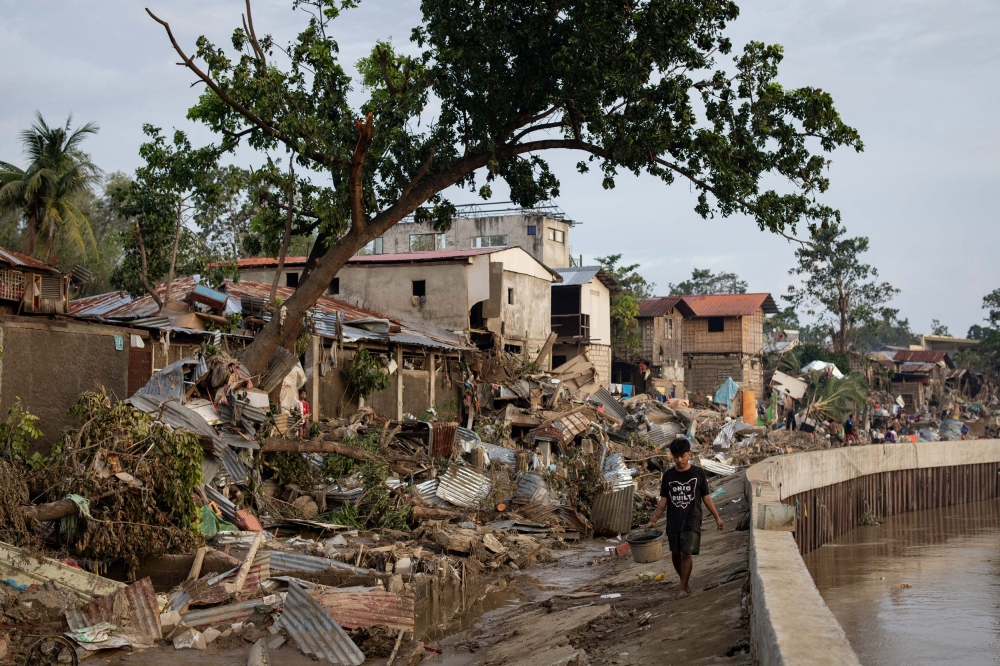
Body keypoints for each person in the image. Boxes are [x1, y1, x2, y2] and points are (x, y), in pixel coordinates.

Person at [644, 438, 724, 596]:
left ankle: (682, 588)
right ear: (671, 456)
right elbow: (664, 500)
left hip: (692, 519)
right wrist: (653, 520)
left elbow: (706, 497)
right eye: (675, 457)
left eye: (682, 456)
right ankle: (684, 581)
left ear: (689, 454)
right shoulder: (668, 475)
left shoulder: (698, 473)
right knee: (675, 554)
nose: (679, 460)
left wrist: (717, 517)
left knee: (686, 553)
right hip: (673, 520)